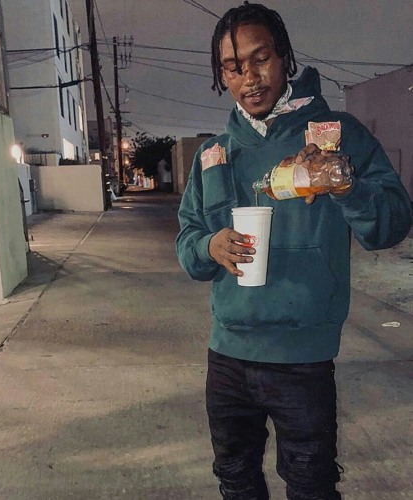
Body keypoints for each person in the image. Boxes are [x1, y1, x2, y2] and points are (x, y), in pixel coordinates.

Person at [175, 2, 412, 499]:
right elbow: (188, 240)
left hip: (303, 357)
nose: (249, 78)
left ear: (283, 55)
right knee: (235, 479)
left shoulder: (338, 136)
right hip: (227, 355)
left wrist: (345, 183)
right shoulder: (214, 154)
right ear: (222, 76)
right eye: (232, 68)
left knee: (310, 485)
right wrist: (208, 245)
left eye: (260, 59)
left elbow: (391, 226)